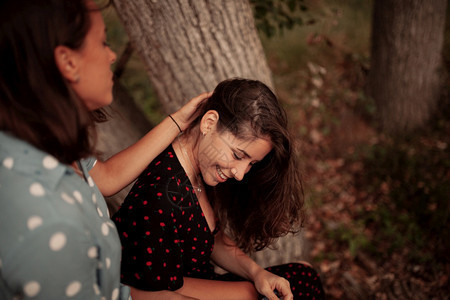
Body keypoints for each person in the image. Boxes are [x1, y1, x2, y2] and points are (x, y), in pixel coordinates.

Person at [0, 0, 209, 299]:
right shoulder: (49, 222)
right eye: (102, 42)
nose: (111, 55)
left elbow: (107, 177)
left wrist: (180, 120)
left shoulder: (42, 143)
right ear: (68, 62)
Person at [113, 78, 325, 300]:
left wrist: (257, 273)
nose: (240, 173)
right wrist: (248, 292)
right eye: (238, 155)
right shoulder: (164, 197)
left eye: (251, 163)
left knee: (303, 276)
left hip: (202, 285)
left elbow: (210, 238)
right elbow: (148, 291)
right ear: (209, 123)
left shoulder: (200, 168)